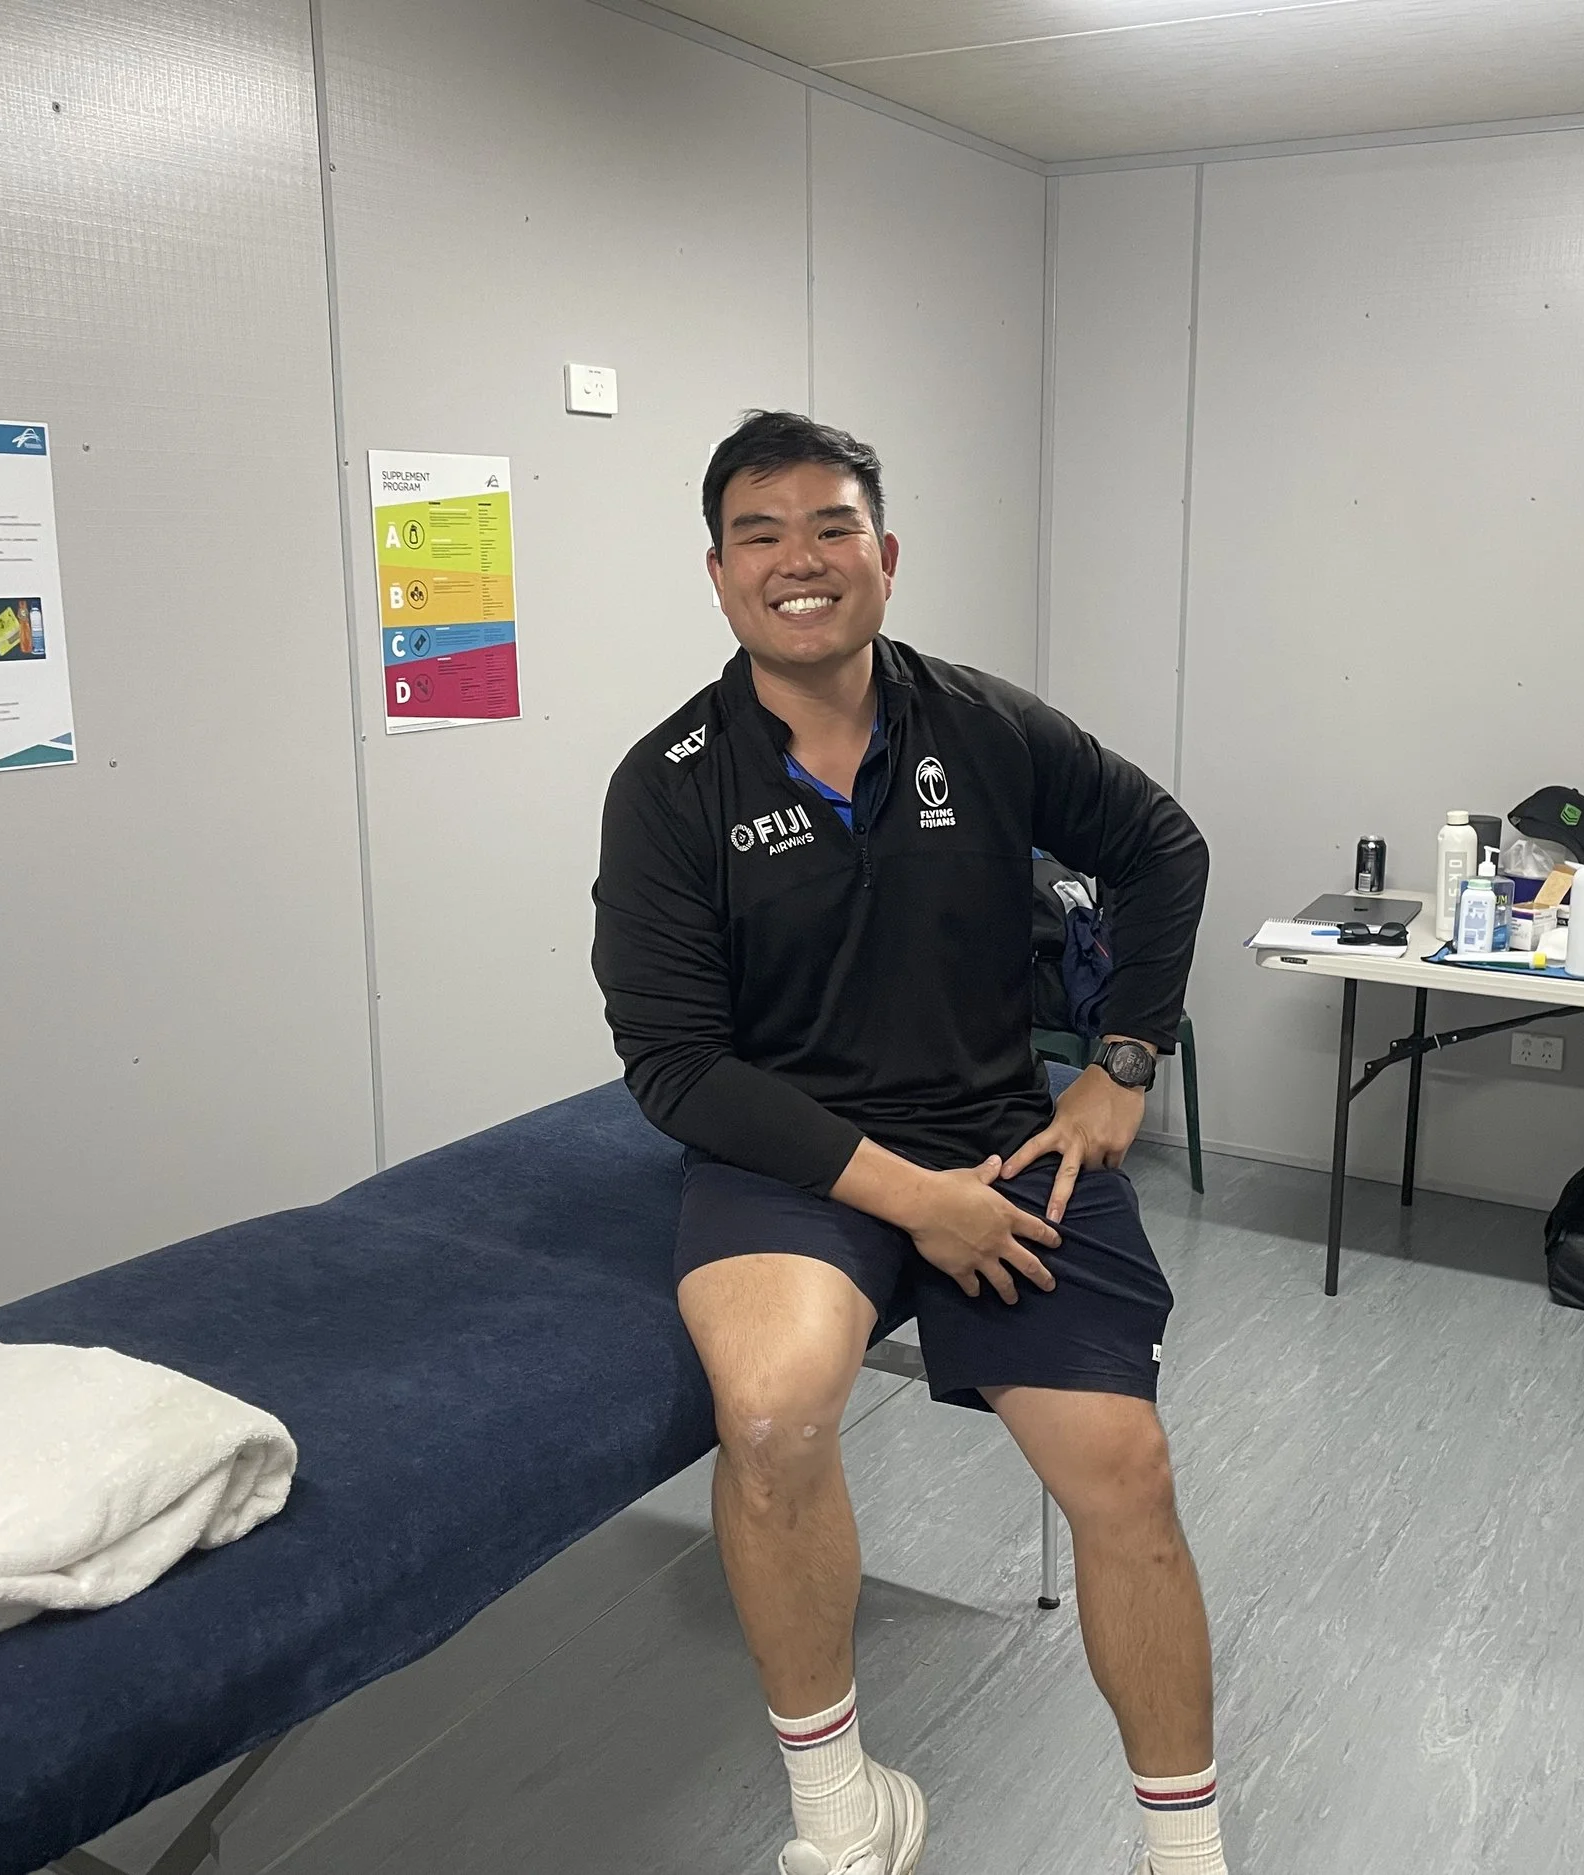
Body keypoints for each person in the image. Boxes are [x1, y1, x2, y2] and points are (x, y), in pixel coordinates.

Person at [593, 411, 1228, 1875]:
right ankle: (845, 1809)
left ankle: (1182, 1850)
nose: (798, 561)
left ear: (883, 557)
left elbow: (1160, 847)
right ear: (717, 573)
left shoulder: (987, 728)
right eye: (761, 535)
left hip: (999, 1135)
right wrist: (910, 1204)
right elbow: (676, 1064)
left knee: (1122, 1466)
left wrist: (1119, 1065)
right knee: (771, 1415)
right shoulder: (671, 785)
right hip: (788, 1153)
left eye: (830, 529)